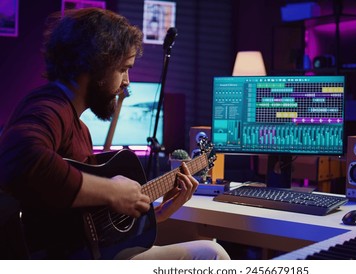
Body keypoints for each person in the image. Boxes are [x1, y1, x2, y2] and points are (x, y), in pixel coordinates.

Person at [0, 7, 230, 260]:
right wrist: (111, 191)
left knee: (209, 252)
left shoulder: (79, 128)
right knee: (212, 256)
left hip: (88, 255)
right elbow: (20, 158)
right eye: (123, 68)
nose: (127, 81)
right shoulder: (49, 109)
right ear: (96, 64)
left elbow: (87, 221)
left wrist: (156, 213)